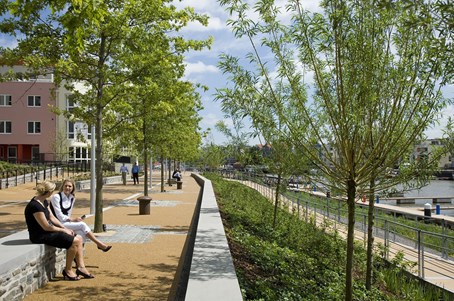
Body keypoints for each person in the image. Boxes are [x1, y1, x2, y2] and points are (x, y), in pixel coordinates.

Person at [24, 180, 92, 281]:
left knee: (79, 238)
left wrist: (65, 228)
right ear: (48, 192)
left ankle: (81, 267)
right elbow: (46, 227)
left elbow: (52, 217)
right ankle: (68, 270)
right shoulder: (35, 206)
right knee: (75, 241)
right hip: (39, 235)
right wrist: (63, 231)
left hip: (48, 232)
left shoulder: (44, 201)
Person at [50, 179, 112, 255]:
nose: (67, 188)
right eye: (65, 186)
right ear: (62, 186)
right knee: (82, 225)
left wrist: (74, 220)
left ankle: (78, 258)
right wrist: (73, 219)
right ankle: (99, 244)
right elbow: (59, 216)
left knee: (81, 233)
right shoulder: (56, 197)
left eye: (70, 186)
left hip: (65, 222)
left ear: (73, 188)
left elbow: (68, 214)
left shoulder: (72, 198)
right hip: (57, 224)